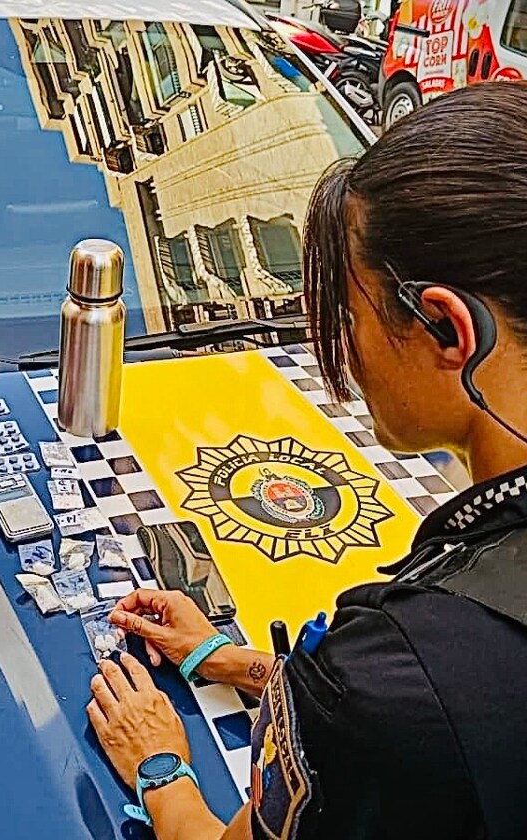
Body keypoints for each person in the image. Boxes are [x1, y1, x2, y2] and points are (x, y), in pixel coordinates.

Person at [86, 80, 527, 840]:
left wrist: (162, 771)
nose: (347, 355)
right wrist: (242, 663)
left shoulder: (400, 669)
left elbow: (412, 709)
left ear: (448, 329)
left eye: (350, 316)